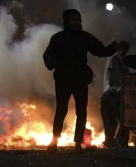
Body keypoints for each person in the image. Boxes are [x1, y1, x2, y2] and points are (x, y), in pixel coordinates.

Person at [43, 9, 118, 153]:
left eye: (78, 19)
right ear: (66, 21)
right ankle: (54, 142)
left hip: (80, 80)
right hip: (63, 80)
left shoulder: (85, 38)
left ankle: (78, 144)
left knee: (81, 112)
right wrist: (51, 63)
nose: (77, 22)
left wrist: (113, 47)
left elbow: (101, 51)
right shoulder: (57, 38)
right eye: (74, 20)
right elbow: (48, 55)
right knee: (61, 110)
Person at [100, 41, 130, 147]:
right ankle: (111, 142)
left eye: (125, 49)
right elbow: (110, 78)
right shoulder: (113, 59)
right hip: (111, 94)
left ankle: (118, 142)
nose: (123, 51)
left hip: (120, 94)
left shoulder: (124, 61)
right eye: (121, 49)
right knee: (111, 121)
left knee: (123, 120)